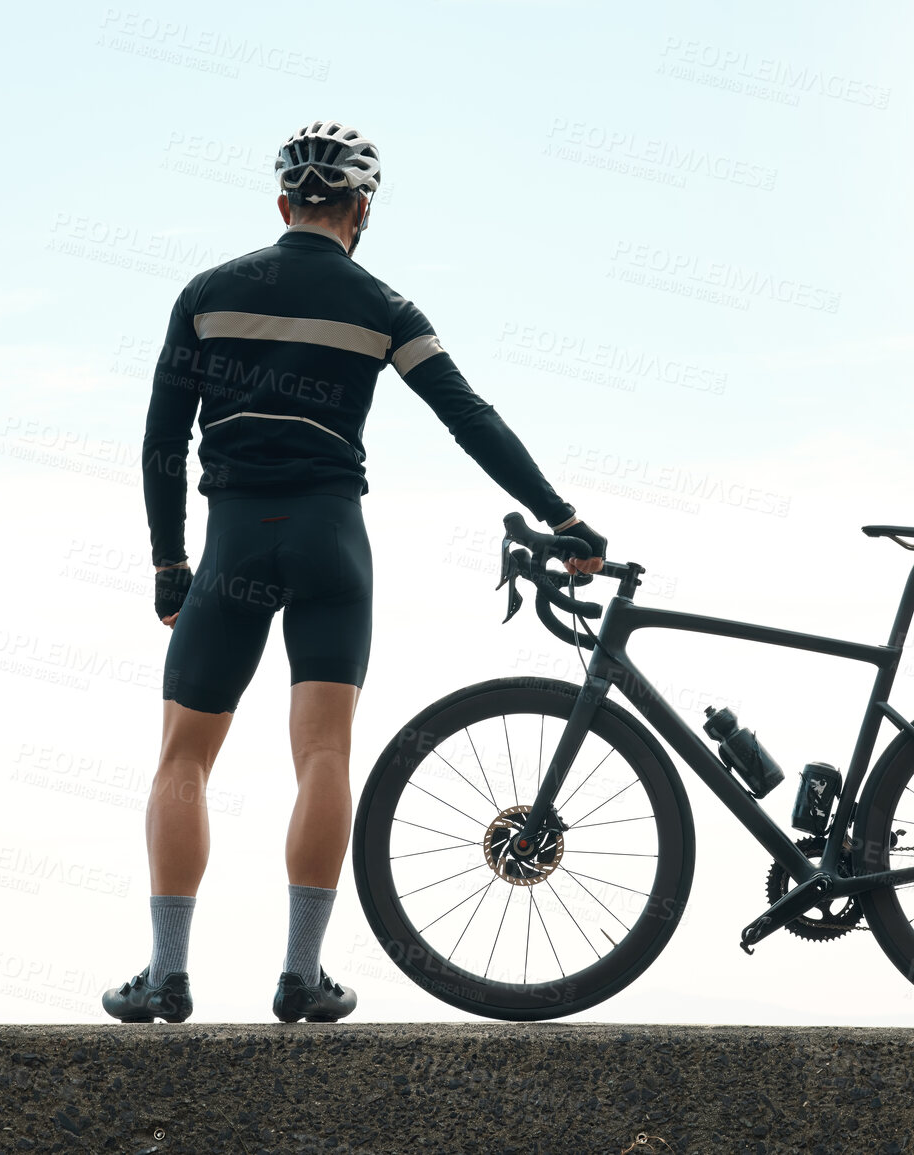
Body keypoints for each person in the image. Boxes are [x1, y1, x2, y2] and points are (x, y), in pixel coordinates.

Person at [102, 120, 606, 1025]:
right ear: (362, 208)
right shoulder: (383, 305)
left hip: (232, 541)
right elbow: (470, 417)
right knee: (324, 753)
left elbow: (160, 442)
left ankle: (166, 973)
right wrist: (560, 517)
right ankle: (302, 973)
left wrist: (168, 562)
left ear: (284, 201)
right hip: (333, 540)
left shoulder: (207, 293)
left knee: (184, 756)